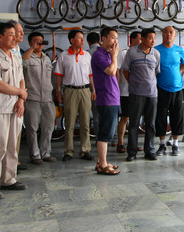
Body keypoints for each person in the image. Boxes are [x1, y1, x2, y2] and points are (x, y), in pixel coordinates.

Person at [0, 22, 28, 199]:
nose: (15, 37)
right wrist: (20, 93)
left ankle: (9, 179)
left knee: (12, 147)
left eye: (15, 34)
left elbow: (21, 80)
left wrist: (21, 99)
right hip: (0, 108)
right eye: (10, 34)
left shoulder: (15, 57)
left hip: (16, 108)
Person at [54, 29, 95, 161]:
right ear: (72, 40)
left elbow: (91, 75)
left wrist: (93, 90)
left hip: (85, 90)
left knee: (85, 122)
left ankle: (85, 150)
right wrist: (58, 92)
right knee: (69, 123)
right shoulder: (63, 56)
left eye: (83, 38)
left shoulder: (87, 55)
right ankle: (68, 151)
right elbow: (59, 76)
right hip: (70, 91)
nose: (83, 40)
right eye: (79, 38)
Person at [121, 28, 161, 161]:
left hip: (152, 94)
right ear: (142, 39)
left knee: (150, 124)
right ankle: (131, 152)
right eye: (150, 38)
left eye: (154, 38)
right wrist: (134, 84)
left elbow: (156, 72)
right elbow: (125, 71)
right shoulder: (132, 52)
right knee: (134, 123)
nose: (153, 41)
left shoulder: (156, 53)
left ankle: (149, 150)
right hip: (136, 93)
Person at [22, 32, 56, 165]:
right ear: (30, 42)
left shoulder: (47, 59)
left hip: (47, 98)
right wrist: (32, 48)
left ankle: (45, 153)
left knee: (48, 127)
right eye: (36, 41)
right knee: (32, 128)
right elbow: (22, 62)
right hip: (32, 98)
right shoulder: (28, 57)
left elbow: (51, 77)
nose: (40, 43)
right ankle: (35, 155)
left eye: (41, 41)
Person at [91, 27, 121, 175]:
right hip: (106, 98)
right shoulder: (98, 55)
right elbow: (111, 71)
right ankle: (102, 165)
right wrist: (114, 56)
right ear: (103, 38)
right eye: (113, 37)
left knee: (108, 131)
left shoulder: (108, 54)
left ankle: (101, 161)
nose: (116, 41)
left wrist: (112, 55)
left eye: (117, 38)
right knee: (105, 132)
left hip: (113, 97)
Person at [154, 26, 184, 156]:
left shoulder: (179, 50)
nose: (168, 34)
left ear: (174, 35)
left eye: (171, 32)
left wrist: (179, 72)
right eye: (165, 32)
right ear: (162, 34)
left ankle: (175, 144)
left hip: (177, 89)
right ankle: (162, 144)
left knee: (177, 117)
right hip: (161, 88)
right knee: (160, 117)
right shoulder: (156, 50)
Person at [116, 31, 141, 152]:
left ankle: (133, 144)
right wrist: (116, 88)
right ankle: (120, 143)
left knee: (135, 119)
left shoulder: (141, 53)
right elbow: (117, 71)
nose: (142, 41)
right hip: (125, 92)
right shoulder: (123, 53)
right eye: (140, 38)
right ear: (133, 39)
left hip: (138, 92)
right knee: (125, 118)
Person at [10, 21, 27, 171]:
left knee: (17, 132)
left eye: (22, 31)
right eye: (18, 31)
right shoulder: (5, 53)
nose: (22, 34)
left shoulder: (18, 51)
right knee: (7, 136)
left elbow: (21, 77)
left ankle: (14, 162)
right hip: (9, 98)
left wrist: (21, 97)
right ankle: (9, 164)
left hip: (19, 96)